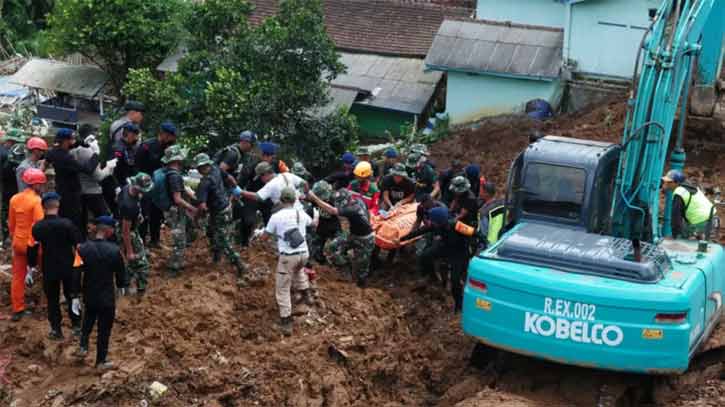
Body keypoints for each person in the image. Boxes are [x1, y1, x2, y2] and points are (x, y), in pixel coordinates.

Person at [73, 215, 129, 370]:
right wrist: (121, 286)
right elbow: (120, 273)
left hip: (89, 294)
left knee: (88, 318)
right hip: (106, 296)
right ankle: (100, 360)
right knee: (104, 329)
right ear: (109, 231)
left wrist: (75, 295)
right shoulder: (114, 251)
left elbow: (76, 273)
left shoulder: (82, 249)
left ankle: (83, 346)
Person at [399, 206, 475, 313]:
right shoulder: (435, 225)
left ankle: (459, 305)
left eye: (431, 220)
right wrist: (404, 238)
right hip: (444, 246)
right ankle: (430, 277)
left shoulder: (457, 225)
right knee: (425, 256)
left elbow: (474, 233)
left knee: (455, 281)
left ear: (439, 222)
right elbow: (421, 231)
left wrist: (476, 247)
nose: (429, 222)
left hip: (459, 253)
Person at [263, 187, 316, 336]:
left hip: (288, 256)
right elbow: (312, 224)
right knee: (299, 270)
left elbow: (266, 236)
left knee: (282, 288)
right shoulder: (301, 213)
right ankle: (307, 295)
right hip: (304, 254)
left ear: (281, 200)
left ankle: (286, 321)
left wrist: (262, 235)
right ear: (295, 200)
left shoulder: (276, 216)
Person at [31, 192, 82, 339]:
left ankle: (56, 330)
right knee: (73, 296)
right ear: (58, 205)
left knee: (52, 300)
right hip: (68, 266)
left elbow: (33, 248)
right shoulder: (67, 224)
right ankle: (77, 326)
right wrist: (80, 266)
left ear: (44, 207)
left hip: (49, 267)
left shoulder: (38, 227)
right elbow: (79, 246)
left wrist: (32, 267)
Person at [193, 153, 247, 284]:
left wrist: (196, 216)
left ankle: (240, 265)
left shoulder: (204, 183)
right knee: (211, 231)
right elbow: (230, 179)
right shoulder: (216, 169)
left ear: (200, 168)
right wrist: (236, 191)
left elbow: (203, 207)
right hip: (227, 207)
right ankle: (216, 257)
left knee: (223, 239)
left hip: (218, 212)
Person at [308, 188, 374, 287]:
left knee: (362, 269)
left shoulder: (352, 209)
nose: (339, 205)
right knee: (331, 247)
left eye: (340, 203)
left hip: (365, 240)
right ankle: (345, 266)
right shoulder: (358, 201)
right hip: (352, 235)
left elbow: (332, 211)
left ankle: (361, 287)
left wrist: (315, 198)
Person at [8, 168, 46, 321]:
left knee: (18, 276)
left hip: (18, 242)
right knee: (46, 273)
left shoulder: (14, 199)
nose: (43, 186)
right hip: (34, 245)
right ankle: (45, 304)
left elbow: (11, 225)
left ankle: (18, 309)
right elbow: (40, 225)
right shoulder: (37, 201)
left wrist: (14, 240)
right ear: (36, 184)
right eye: (42, 184)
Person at [46, 128, 99, 234]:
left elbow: (73, 144)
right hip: (71, 194)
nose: (74, 141)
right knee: (74, 220)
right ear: (66, 141)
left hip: (61, 189)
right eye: (72, 139)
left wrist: (84, 142)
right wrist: (96, 154)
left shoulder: (53, 152)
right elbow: (88, 169)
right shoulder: (67, 158)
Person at [136, 121, 177, 247]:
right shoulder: (146, 146)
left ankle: (155, 240)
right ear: (164, 134)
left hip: (159, 186)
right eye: (171, 136)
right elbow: (137, 167)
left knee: (157, 214)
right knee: (144, 214)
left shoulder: (168, 148)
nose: (172, 139)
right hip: (145, 184)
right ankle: (141, 242)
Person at [159, 146, 198, 277]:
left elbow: (184, 189)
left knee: (187, 232)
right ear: (177, 160)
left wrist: (194, 198)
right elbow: (177, 199)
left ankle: (177, 262)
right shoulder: (174, 176)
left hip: (175, 210)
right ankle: (173, 268)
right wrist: (192, 208)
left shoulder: (170, 172)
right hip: (175, 211)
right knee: (179, 241)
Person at [216, 131, 260, 247]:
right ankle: (222, 245)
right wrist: (230, 179)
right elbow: (220, 170)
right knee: (224, 217)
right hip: (220, 189)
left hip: (227, 188)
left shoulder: (240, 154)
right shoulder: (233, 154)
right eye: (251, 144)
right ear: (245, 142)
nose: (252, 147)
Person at [71, 129, 116, 238]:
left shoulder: (72, 151)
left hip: (78, 190)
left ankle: (82, 243)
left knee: (82, 220)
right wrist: (109, 168)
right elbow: (98, 176)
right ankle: (108, 243)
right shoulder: (89, 152)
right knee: (105, 219)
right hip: (92, 191)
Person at [118, 173, 154, 293]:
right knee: (140, 263)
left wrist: (137, 216)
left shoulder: (126, 188)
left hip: (128, 225)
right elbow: (125, 231)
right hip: (129, 231)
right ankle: (140, 289)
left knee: (131, 262)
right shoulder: (129, 206)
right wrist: (129, 251)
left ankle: (125, 285)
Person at [661, 169, 717, 239]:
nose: (666, 184)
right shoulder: (690, 186)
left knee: (684, 240)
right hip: (713, 219)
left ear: (676, 183)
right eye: (665, 182)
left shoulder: (679, 193)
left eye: (669, 182)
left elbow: (676, 217)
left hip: (700, 222)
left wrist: (675, 237)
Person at [239, 162, 308, 211]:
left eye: (260, 177)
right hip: (300, 211)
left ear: (265, 174)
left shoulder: (271, 184)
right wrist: (304, 194)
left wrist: (239, 191)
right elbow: (305, 183)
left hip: (285, 214)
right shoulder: (286, 175)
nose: (261, 180)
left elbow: (257, 196)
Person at [2, 129, 27, 242]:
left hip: (9, 187)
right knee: (9, 212)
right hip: (10, 187)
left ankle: (8, 234)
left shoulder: (9, 152)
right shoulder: (6, 155)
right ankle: (8, 235)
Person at [307, 181, 341, 264]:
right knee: (317, 254)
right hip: (321, 229)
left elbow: (335, 211)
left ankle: (339, 261)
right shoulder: (313, 200)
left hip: (334, 228)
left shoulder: (335, 199)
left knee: (337, 248)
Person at [111, 123, 141, 189]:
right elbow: (113, 170)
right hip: (120, 184)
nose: (136, 138)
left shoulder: (130, 147)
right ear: (129, 134)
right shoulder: (118, 148)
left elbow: (132, 165)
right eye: (135, 135)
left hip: (129, 182)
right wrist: (117, 187)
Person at [478, 182, 506, 250]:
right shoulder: (502, 203)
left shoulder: (483, 212)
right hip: (502, 242)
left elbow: (484, 233)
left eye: (481, 191)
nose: (479, 192)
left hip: (489, 245)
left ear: (486, 194)